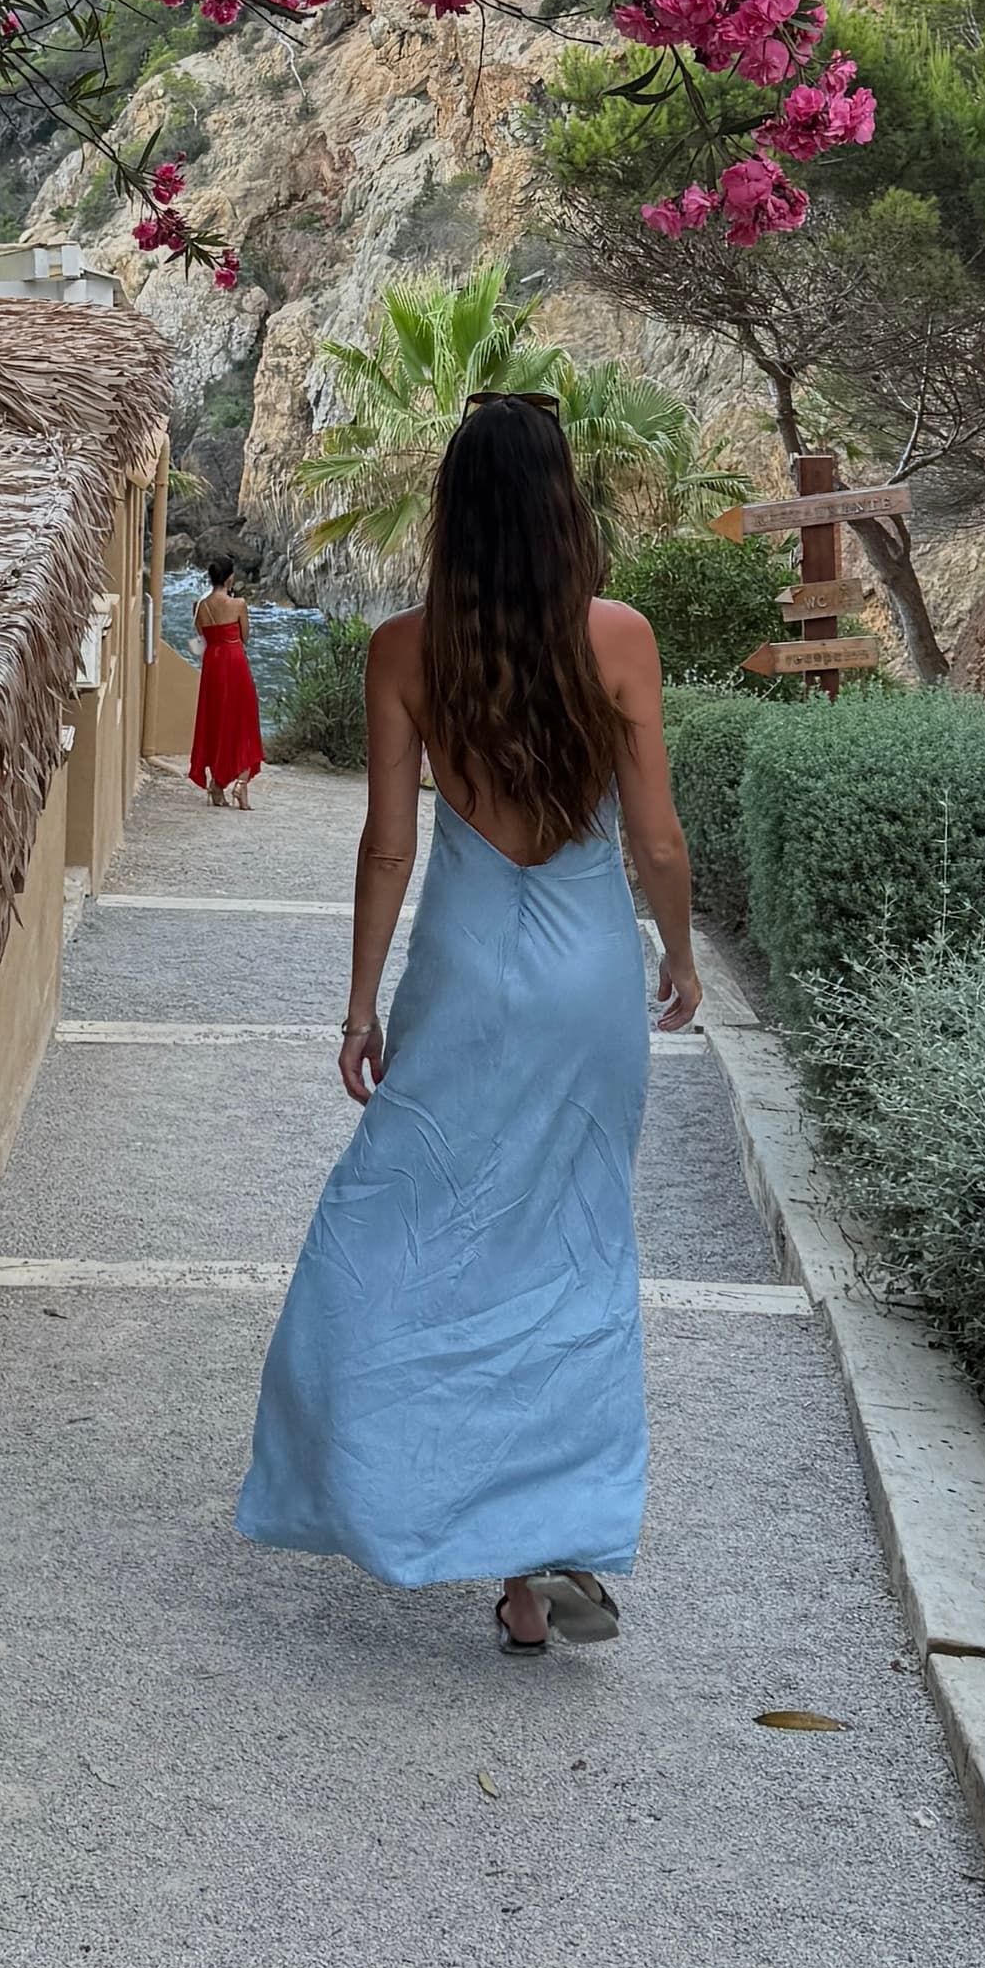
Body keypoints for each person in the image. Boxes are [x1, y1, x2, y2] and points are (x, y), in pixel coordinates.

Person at [234, 389, 702, 1654]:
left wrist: (358, 1000)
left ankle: (415, 1503)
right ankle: (539, 1544)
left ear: (454, 510)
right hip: (585, 972)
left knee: (402, 1219)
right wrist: (681, 950)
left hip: (461, 958)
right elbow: (654, 834)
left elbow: (389, 847)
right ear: (565, 507)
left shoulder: (406, 648)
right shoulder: (622, 637)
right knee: (570, 1242)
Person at [188, 554, 266, 810]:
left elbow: (201, 636)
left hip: (212, 664)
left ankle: (217, 786)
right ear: (230, 578)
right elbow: (245, 636)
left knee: (215, 721)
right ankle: (240, 785)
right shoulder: (238, 604)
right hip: (234, 662)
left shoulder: (199, 606)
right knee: (243, 720)